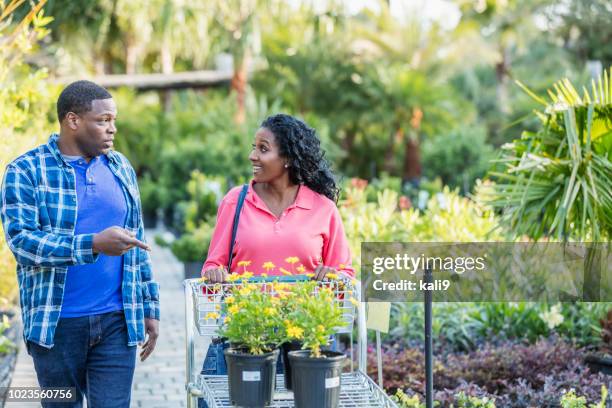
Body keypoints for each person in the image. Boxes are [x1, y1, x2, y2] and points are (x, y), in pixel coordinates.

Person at [0, 80, 160, 408]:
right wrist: (93, 245)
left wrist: (149, 306)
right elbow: (22, 243)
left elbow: (137, 242)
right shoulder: (25, 171)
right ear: (73, 121)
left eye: (114, 120)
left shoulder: (121, 167)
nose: (112, 129)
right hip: (56, 325)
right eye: (103, 121)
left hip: (117, 319)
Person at [197, 114, 353, 407]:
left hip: (306, 340)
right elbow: (213, 264)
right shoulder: (237, 200)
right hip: (247, 336)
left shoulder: (323, 208)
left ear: (288, 159)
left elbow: (344, 274)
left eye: (263, 148)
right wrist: (214, 273)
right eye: (253, 146)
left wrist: (334, 276)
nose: (252, 156)